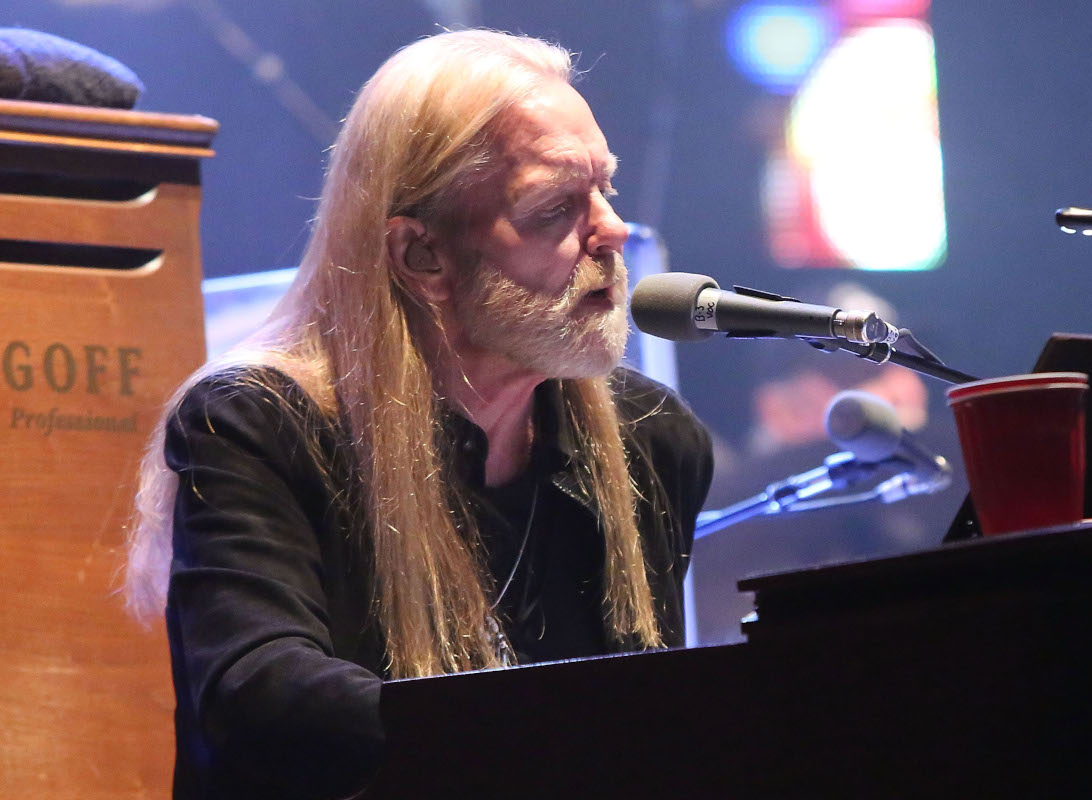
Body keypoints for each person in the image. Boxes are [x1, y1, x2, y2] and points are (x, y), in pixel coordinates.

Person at [119, 30, 713, 800]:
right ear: (421, 256)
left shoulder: (653, 440)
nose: (612, 230)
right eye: (555, 206)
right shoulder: (255, 423)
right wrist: (547, 729)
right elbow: (261, 696)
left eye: (606, 188)